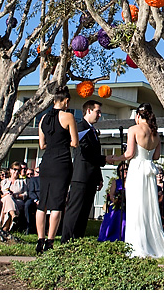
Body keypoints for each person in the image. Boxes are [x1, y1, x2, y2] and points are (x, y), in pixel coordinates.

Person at [106, 103, 164, 258]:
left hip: (137, 169)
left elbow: (129, 153)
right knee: (148, 206)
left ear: (138, 116)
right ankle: (151, 242)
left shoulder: (134, 130)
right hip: (149, 169)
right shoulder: (156, 133)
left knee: (136, 206)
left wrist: (115, 158)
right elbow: (156, 156)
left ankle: (136, 245)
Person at [35, 85, 79, 254]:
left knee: (43, 203)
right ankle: (50, 241)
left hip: (46, 163)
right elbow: (74, 143)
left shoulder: (43, 119)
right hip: (61, 162)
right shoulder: (68, 116)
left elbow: (42, 145)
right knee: (57, 204)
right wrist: (64, 141)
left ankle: (40, 239)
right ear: (66, 101)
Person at [61, 99, 106, 244]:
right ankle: (66, 240)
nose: (100, 115)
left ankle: (78, 240)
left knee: (85, 210)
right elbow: (85, 151)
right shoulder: (80, 127)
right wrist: (105, 159)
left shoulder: (93, 130)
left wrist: (99, 176)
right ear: (88, 110)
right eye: (97, 111)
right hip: (80, 176)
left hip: (91, 176)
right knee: (75, 209)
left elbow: (95, 152)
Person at [98, 162, 128, 241]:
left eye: (126, 169)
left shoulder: (131, 182)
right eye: (123, 170)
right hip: (117, 204)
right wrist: (116, 201)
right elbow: (111, 195)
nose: (125, 171)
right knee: (115, 213)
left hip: (128, 205)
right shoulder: (116, 182)